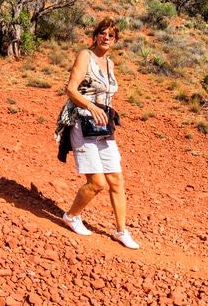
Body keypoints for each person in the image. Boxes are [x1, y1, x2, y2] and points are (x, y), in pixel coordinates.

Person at [54, 19, 139, 249]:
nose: (107, 37)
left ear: (116, 40)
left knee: (116, 179)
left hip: (103, 126)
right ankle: (71, 216)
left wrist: (104, 111)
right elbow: (70, 89)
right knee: (97, 183)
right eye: (103, 33)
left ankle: (121, 231)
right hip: (82, 121)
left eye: (111, 35)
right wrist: (92, 107)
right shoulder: (85, 56)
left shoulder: (110, 63)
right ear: (95, 36)